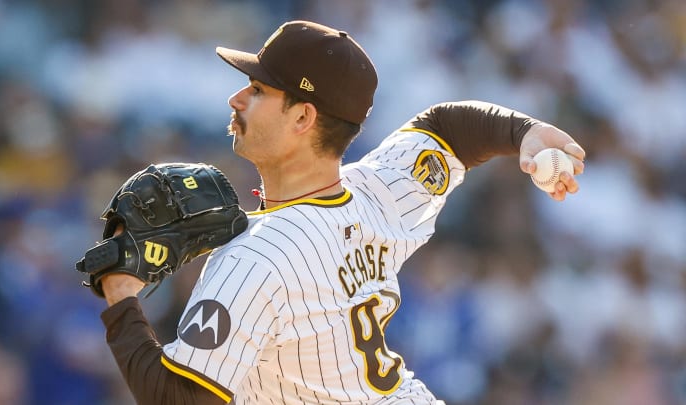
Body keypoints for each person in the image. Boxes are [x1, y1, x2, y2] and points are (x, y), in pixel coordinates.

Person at [97, 20, 585, 404]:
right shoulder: (381, 190)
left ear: (304, 117)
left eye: (260, 91)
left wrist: (120, 293)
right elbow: (448, 128)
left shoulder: (256, 257)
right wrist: (526, 131)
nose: (237, 98)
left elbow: (180, 399)